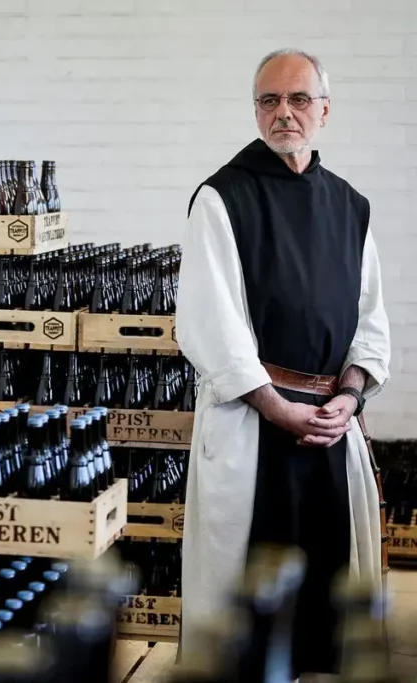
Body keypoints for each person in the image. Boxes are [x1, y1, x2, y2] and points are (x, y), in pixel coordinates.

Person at [176, 48, 391, 681]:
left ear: (325, 110)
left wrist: (347, 400)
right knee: (247, 623)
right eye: (269, 101)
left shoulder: (350, 208)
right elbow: (211, 327)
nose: (284, 114)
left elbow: (371, 324)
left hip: (328, 429)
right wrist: (278, 408)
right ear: (256, 110)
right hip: (254, 429)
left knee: (326, 612)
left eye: (299, 100)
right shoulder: (222, 199)